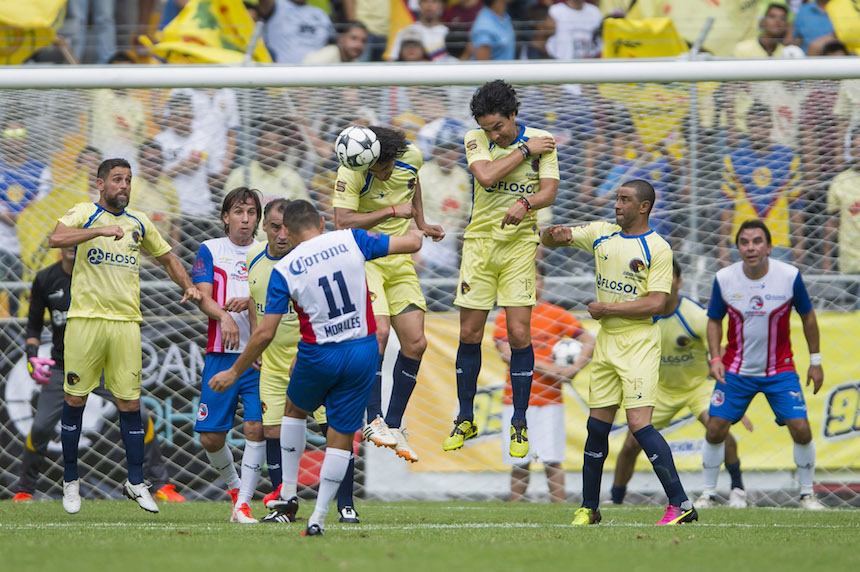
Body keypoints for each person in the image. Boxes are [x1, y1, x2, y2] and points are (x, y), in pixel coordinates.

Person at [208, 200, 424, 536]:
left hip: (318, 353)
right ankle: (319, 518)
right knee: (340, 436)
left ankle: (289, 492)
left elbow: (265, 332)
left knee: (293, 410)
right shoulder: (351, 239)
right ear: (322, 222)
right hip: (362, 351)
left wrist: (234, 371)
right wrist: (416, 221)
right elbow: (413, 244)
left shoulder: (286, 268)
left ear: (289, 234)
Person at [47, 157, 203, 515]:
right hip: (85, 321)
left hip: (126, 323)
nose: (124, 186)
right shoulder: (85, 212)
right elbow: (56, 238)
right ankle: (71, 483)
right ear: (100, 183)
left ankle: (136, 482)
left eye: (129, 180)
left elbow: (167, 257)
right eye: (117, 179)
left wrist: (189, 285)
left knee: (131, 404)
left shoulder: (139, 222)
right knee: (75, 401)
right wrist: (97, 231)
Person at [542, 179, 697, 526]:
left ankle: (681, 504)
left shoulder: (658, 248)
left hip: (639, 341)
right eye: (616, 198)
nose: (617, 205)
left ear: (644, 207)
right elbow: (552, 238)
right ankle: (589, 507)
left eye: (625, 200)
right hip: (608, 343)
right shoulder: (601, 233)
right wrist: (555, 233)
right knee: (597, 427)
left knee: (639, 424)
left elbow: (657, 302)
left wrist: (607, 310)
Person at [12, 247, 185, 504]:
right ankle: (25, 489)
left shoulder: (100, 275)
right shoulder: (46, 279)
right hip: (64, 367)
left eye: (78, 240)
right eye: (69, 238)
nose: (72, 246)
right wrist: (31, 357)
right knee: (39, 427)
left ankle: (161, 485)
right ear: (61, 243)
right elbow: (34, 325)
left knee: (141, 416)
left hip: (105, 365)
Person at [443, 80, 558, 460]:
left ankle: (519, 422)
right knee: (469, 331)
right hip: (478, 245)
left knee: (519, 332)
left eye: (499, 127)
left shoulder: (544, 139)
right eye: (488, 128)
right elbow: (487, 176)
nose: (494, 134)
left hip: (519, 248)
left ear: (513, 115)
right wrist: (524, 149)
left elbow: (549, 193)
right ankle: (465, 417)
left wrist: (525, 203)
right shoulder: (476, 137)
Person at [332, 126, 445, 463]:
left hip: (399, 262)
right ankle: (374, 418)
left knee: (416, 343)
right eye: (372, 170)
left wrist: (422, 222)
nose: (377, 174)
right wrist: (391, 212)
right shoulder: (352, 170)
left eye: (380, 168)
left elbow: (414, 185)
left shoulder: (412, 158)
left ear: (391, 157)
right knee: (379, 333)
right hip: (364, 259)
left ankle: (393, 425)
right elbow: (342, 222)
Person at [246, 199, 360, 524]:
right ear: (264, 228)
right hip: (272, 364)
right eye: (274, 227)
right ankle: (286, 505)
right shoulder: (253, 259)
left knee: (333, 428)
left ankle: (346, 504)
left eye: (286, 227)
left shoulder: (310, 260)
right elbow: (257, 304)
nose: (281, 234)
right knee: (272, 431)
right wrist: (256, 343)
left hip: (311, 360)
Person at [703, 218, 826, 510]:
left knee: (801, 429)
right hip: (735, 369)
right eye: (744, 242)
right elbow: (713, 321)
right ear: (737, 249)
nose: (750, 248)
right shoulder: (724, 278)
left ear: (769, 247)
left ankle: (807, 494)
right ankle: (707, 494)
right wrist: (716, 358)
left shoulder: (789, 276)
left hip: (779, 370)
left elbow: (808, 316)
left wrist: (816, 361)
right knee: (715, 429)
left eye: (757, 241)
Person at [609, 259, 749, 509]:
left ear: (679, 282)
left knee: (718, 427)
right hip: (659, 389)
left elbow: (722, 355)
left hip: (697, 387)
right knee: (631, 443)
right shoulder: (640, 314)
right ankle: (616, 499)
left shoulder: (696, 317)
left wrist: (734, 398)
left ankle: (738, 490)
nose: (663, 281)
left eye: (668, 276)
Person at [191, 187, 265, 524]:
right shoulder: (210, 250)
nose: (245, 219)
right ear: (225, 217)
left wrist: (250, 302)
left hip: (260, 355)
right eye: (239, 212)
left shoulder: (266, 252)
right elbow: (202, 296)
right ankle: (235, 488)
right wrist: (223, 316)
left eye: (251, 213)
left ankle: (244, 504)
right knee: (210, 436)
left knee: (255, 428)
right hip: (221, 353)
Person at [493, 268, 595, 503]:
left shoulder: (556, 314)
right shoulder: (505, 315)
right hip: (515, 399)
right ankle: (514, 512)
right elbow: (507, 354)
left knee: (552, 459)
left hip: (550, 399)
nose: (530, 283)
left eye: (534, 278)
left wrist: (574, 369)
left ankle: (558, 508)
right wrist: (550, 368)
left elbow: (588, 339)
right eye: (524, 278)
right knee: (519, 461)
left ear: (543, 284)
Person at [718, 101, 803, 266]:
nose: (758, 131)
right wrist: (722, 245)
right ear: (748, 126)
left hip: (778, 242)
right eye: (754, 125)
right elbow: (726, 205)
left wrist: (800, 243)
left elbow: (796, 205)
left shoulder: (789, 158)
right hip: (742, 241)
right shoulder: (733, 159)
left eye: (763, 125)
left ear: (771, 125)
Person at [824, 127, 860, 275]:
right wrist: (826, 259)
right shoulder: (840, 180)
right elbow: (832, 223)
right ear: (850, 151)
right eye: (856, 148)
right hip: (849, 261)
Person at [258, 0, 335, 64]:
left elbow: (334, 41)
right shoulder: (275, 6)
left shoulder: (320, 13)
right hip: (281, 70)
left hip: (318, 70)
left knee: (337, 50)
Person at [301, 22, 368, 64]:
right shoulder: (324, 57)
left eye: (363, 41)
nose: (359, 44)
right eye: (354, 38)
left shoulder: (354, 63)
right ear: (341, 39)